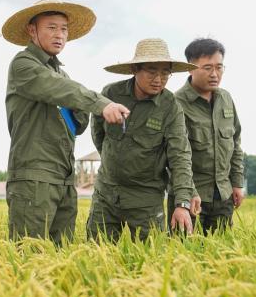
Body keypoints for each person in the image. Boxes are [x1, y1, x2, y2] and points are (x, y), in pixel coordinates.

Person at [2, 0, 130, 245]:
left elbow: (77, 125)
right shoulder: (24, 64)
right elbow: (60, 89)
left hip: (64, 176)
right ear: (32, 30)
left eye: (63, 29)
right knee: (30, 255)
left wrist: (85, 105)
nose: (59, 35)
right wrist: (102, 104)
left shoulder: (62, 74)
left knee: (62, 256)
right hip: (34, 177)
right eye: (51, 27)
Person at [86, 38, 201, 242]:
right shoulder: (111, 94)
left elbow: (180, 156)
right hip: (107, 193)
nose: (159, 79)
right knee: (96, 255)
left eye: (165, 72)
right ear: (135, 69)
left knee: (151, 261)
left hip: (146, 198)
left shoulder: (171, 108)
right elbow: (99, 134)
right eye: (151, 71)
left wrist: (182, 203)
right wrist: (114, 161)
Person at [167, 38, 244, 235]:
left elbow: (235, 143)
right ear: (190, 69)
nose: (214, 74)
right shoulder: (176, 104)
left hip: (223, 197)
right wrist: (185, 195)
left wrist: (236, 183)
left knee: (221, 257)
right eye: (207, 68)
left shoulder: (225, 99)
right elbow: (172, 157)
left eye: (219, 67)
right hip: (191, 199)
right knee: (184, 257)